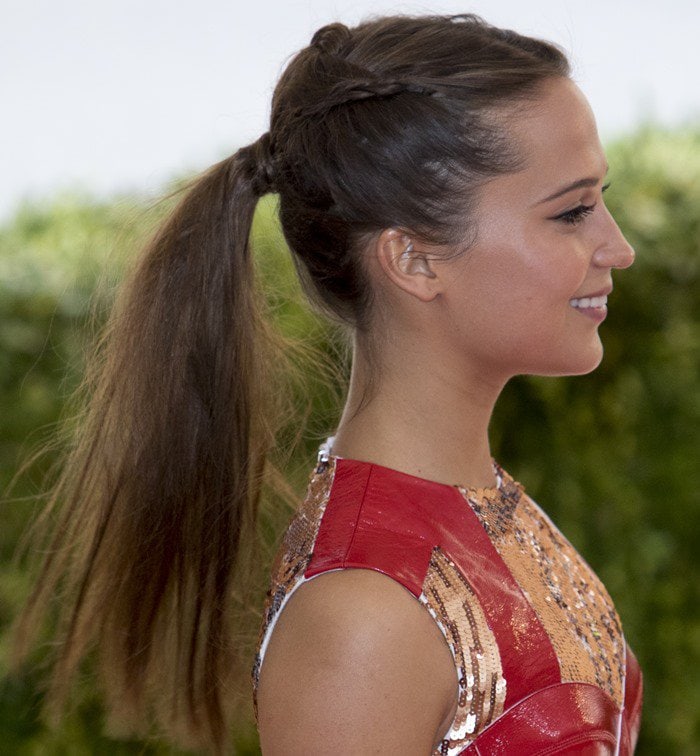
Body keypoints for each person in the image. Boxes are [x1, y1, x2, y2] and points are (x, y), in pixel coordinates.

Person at [14, 12, 642, 756]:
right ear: (413, 260)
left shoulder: (477, 503)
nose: (619, 247)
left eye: (599, 199)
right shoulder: (365, 612)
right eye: (571, 211)